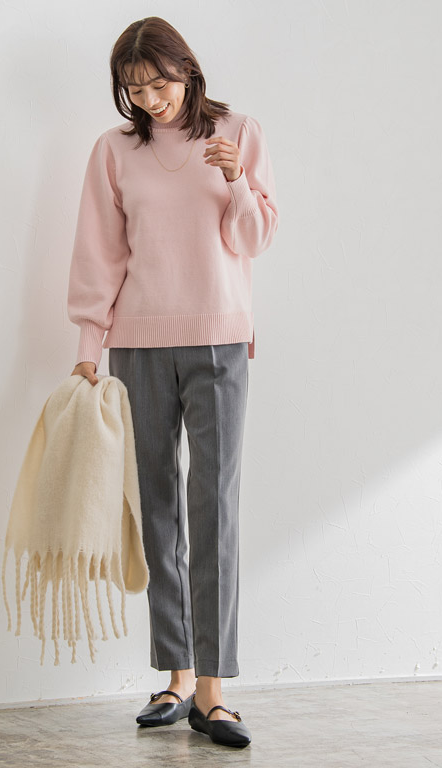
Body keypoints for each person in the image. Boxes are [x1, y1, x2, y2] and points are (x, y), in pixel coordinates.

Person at [66, 16, 278, 749]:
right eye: (135, 89)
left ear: (186, 69)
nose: (151, 99)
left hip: (219, 339)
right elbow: (99, 251)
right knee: (156, 507)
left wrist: (236, 179)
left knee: (213, 506)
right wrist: (89, 343)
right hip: (138, 346)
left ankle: (213, 692)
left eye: (159, 82)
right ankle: (175, 674)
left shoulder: (238, 133)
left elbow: (254, 239)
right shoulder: (114, 151)